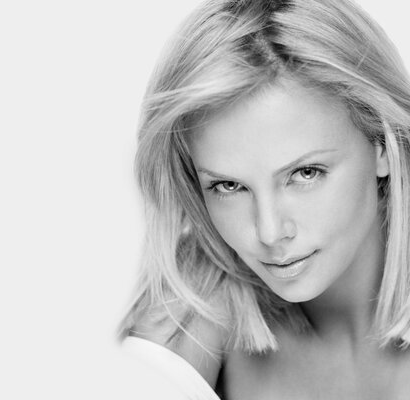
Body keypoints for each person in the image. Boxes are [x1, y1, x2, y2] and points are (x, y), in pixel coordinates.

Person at [118, 0, 410, 398]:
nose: (269, 232)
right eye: (229, 186)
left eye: (305, 173)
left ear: (382, 144)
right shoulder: (201, 292)